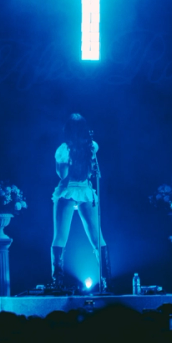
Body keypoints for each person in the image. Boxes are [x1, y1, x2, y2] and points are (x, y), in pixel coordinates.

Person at [50, 113, 110, 291]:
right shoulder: (90, 147)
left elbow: (63, 175)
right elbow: (90, 172)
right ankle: (107, 281)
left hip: (68, 190)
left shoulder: (65, 149)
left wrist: (67, 162)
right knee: (97, 237)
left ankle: (57, 282)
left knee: (60, 236)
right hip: (84, 190)